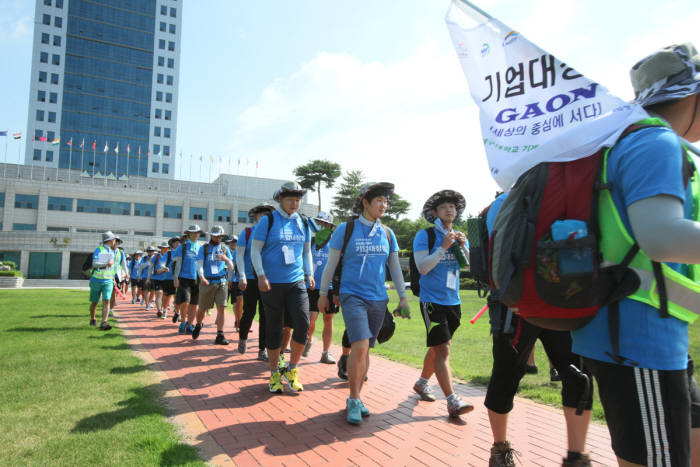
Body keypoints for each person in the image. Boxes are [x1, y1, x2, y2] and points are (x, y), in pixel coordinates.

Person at [571, 42, 700, 467]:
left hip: (628, 328)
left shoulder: (618, 143)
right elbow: (661, 238)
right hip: (639, 337)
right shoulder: (657, 143)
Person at [484, 193, 593, 467]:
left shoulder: (503, 201)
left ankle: (574, 456)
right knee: (511, 375)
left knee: (576, 375)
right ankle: (502, 449)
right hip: (539, 301)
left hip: (532, 302)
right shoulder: (507, 201)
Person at [318, 182, 408, 425]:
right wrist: (323, 293)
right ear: (364, 202)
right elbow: (331, 265)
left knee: (366, 348)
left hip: (378, 298)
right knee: (358, 344)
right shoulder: (346, 229)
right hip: (351, 295)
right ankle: (354, 398)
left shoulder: (387, 233)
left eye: (385, 201)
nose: (383, 204)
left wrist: (403, 298)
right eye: (377, 200)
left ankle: (358, 398)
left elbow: (395, 268)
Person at [412, 190, 473, 418]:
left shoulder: (457, 236)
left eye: (452, 207)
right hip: (431, 301)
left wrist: (464, 247)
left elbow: (467, 268)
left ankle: (421, 382)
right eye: (444, 207)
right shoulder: (425, 235)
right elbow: (423, 267)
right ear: (435, 212)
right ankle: (452, 400)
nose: (450, 210)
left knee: (438, 347)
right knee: (444, 347)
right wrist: (443, 248)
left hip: (453, 301)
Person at [250, 182, 313, 393]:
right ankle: (274, 373)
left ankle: (292, 369)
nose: (294, 204)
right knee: (274, 328)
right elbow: (255, 250)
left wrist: (309, 273)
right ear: (280, 199)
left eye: (298, 200)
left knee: (303, 324)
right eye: (290, 199)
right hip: (271, 283)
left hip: (296, 281)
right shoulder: (267, 221)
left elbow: (306, 252)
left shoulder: (303, 222)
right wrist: (260, 275)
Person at [237, 204, 275, 360]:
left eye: (267, 214)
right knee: (249, 312)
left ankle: (262, 349)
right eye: (261, 214)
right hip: (251, 279)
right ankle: (243, 338)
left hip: (269, 279)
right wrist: (242, 275)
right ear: (256, 216)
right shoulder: (247, 233)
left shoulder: (273, 233)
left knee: (266, 315)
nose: (264, 217)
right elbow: (239, 255)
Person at [304, 211, 338, 364]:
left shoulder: (335, 244)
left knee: (328, 320)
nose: (321, 226)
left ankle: (325, 352)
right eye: (318, 223)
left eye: (324, 224)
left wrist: (337, 289)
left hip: (329, 288)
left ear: (330, 226)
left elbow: (338, 266)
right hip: (311, 287)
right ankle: (308, 339)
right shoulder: (310, 242)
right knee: (311, 319)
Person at [192, 225, 234, 345]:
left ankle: (220, 335)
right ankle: (199, 324)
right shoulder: (204, 248)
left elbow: (231, 267)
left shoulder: (225, 249)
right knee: (202, 309)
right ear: (211, 236)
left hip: (221, 282)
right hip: (207, 281)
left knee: (221, 308)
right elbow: (199, 264)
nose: (218, 238)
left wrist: (226, 259)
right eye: (216, 236)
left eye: (220, 236)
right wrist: (202, 277)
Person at [172, 226, 204, 335]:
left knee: (194, 304)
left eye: (197, 233)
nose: (195, 235)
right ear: (189, 234)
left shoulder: (201, 247)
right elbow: (178, 263)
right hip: (184, 278)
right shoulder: (183, 247)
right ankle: (183, 323)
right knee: (185, 301)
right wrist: (176, 277)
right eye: (193, 233)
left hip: (197, 279)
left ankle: (190, 325)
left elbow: (202, 264)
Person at [89, 231, 121, 331]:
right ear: (111, 240)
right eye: (114, 239)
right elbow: (94, 263)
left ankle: (104, 323)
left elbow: (112, 268)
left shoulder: (112, 252)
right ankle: (93, 319)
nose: (115, 241)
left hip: (108, 281)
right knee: (95, 302)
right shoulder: (99, 249)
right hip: (96, 280)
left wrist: (113, 279)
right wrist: (106, 264)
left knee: (107, 301)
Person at [151, 243, 176, 319]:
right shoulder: (157, 256)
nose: (164, 249)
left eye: (166, 248)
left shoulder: (171, 254)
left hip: (168, 278)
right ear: (160, 248)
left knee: (166, 295)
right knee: (159, 293)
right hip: (158, 278)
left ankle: (165, 307)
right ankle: (159, 310)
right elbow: (151, 267)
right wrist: (149, 277)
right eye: (163, 248)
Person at [225, 235, 244, 332]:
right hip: (235, 281)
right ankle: (238, 321)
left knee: (242, 303)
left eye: (235, 241)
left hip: (246, 281)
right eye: (231, 242)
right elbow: (231, 268)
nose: (233, 243)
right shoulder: (233, 253)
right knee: (236, 303)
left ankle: (240, 321)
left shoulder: (246, 251)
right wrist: (229, 280)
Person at [110, 246, 129, 314]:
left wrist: (126, 273)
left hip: (117, 275)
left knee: (113, 292)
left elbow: (123, 263)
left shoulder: (121, 253)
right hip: (107, 275)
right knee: (107, 294)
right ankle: (107, 308)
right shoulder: (107, 250)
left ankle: (110, 309)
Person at [140, 246, 157, 310]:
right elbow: (142, 267)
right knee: (147, 291)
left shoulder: (156, 258)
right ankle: (147, 305)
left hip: (154, 276)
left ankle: (149, 302)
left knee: (153, 291)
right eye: (149, 251)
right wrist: (148, 261)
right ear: (147, 252)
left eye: (152, 251)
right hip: (146, 277)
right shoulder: (144, 258)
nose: (150, 252)